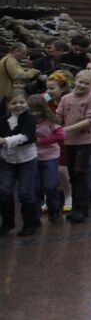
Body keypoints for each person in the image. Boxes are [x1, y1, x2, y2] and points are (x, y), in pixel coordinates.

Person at [57, 69, 91, 224]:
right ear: (75, 80)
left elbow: (90, 119)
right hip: (69, 141)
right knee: (72, 174)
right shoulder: (66, 98)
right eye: (80, 82)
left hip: (86, 140)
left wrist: (66, 129)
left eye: (86, 84)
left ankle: (82, 208)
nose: (82, 86)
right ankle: (76, 206)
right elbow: (58, 115)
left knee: (81, 173)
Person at [0, 90, 39, 236]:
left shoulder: (29, 119)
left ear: (27, 104)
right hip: (7, 160)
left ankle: (30, 223)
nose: (18, 105)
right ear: (7, 105)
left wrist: (5, 141)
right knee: (3, 192)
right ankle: (7, 222)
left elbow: (25, 136)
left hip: (26, 160)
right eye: (14, 103)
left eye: (22, 102)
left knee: (25, 193)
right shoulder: (3, 119)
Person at [33, 95, 63, 225]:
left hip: (50, 156)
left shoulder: (50, 121)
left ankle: (54, 209)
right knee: (35, 188)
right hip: (33, 157)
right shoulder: (28, 121)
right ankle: (35, 214)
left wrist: (42, 141)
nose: (34, 113)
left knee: (50, 186)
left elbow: (61, 135)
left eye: (37, 110)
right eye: (31, 110)